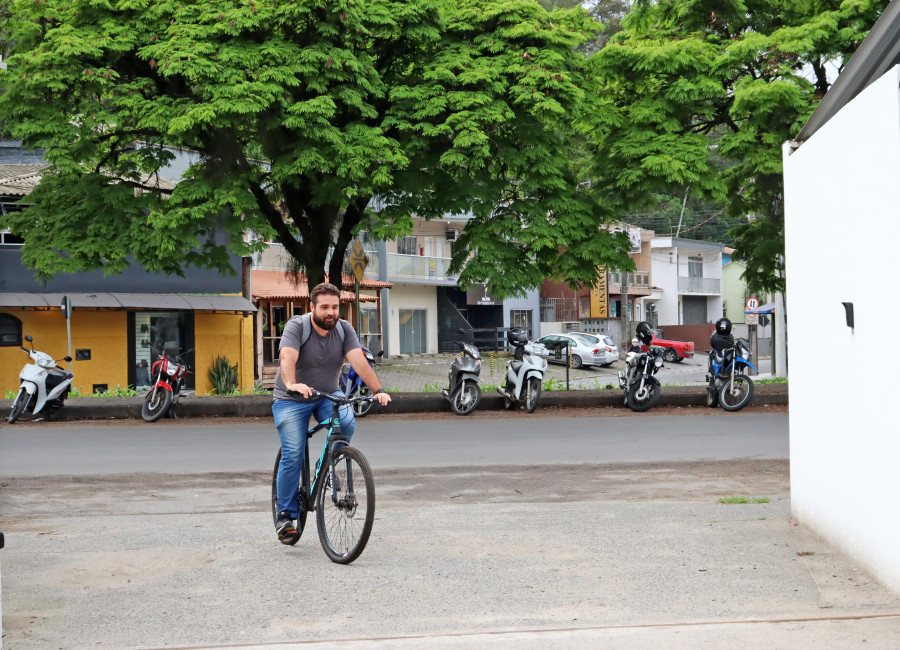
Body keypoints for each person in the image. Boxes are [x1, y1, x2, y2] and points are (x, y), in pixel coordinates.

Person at [272, 282, 391, 543]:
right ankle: (285, 515)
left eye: (335, 307)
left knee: (346, 423)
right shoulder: (297, 326)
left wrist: (378, 389)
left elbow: (358, 361)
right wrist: (291, 383)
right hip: (292, 397)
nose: (331, 312)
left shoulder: (344, 329)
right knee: (293, 452)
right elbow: (287, 358)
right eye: (325, 307)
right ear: (312, 307)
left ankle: (323, 468)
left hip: (327, 394)